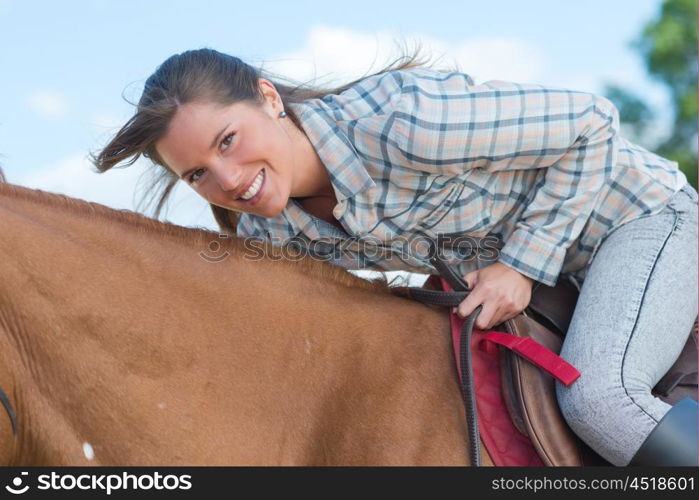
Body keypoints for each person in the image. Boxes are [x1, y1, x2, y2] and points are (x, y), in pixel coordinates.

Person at [93, 48, 698, 466]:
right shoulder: (278, 233)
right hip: (554, 281)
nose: (227, 178)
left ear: (268, 98)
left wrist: (522, 263)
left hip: (637, 218)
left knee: (600, 399)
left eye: (228, 140)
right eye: (198, 173)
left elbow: (592, 122)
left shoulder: (405, 122)